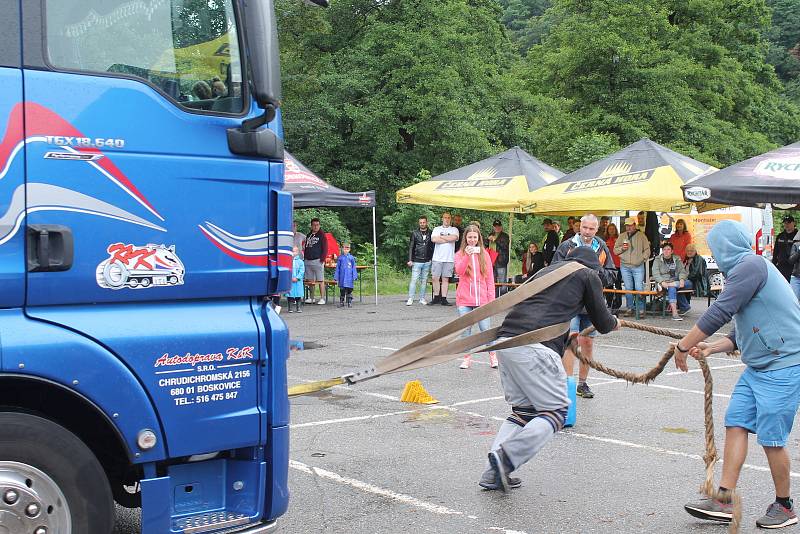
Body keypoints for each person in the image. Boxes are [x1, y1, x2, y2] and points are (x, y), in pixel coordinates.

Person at [675, 220, 800, 530]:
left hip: (784, 365)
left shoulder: (751, 265)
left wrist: (683, 345)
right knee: (736, 422)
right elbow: (741, 329)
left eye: (714, 246)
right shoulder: (744, 272)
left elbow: (720, 311)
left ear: (725, 246)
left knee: (771, 440)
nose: (714, 252)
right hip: (758, 367)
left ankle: (784, 506)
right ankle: (724, 498)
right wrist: (710, 349)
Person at [479, 246, 620, 492]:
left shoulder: (547, 271)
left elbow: (541, 307)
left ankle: (493, 470)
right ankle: (505, 459)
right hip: (533, 345)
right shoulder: (587, 275)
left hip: (506, 342)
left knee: (523, 411)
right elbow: (603, 321)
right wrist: (615, 321)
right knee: (555, 412)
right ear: (593, 266)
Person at [553, 214, 616, 399]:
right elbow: (554, 269)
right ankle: (567, 384)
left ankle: (582, 384)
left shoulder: (601, 247)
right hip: (571, 303)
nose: (587, 232)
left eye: (591, 229)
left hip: (593, 303)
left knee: (587, 344)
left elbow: (612, 274)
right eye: (585, 228)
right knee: (571, 342)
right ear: (579, 227)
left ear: (597, 230)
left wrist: (596, 272)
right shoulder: (567, 246)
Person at [454, 225, 497, 369]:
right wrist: (467, 255)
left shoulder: (484, 254)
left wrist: (491, 300)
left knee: (485, 330)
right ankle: (466, 358)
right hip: (465, 300)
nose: (472, 240)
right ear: (465, 238)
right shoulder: (459, 254)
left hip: (482, 300)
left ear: (479, 238)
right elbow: (459, 271)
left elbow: (490, 279)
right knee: (466, 332)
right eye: (469, 237)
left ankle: (492, 355)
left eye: (474, 237)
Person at [614, 216, 651, 316]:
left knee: (639, 288)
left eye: (630, 225)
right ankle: (630, 308)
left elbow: (647, 250)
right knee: (628, 288)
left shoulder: (642, 236)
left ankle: (641, 309)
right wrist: (622, 248)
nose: (629, 227)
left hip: (638, 266)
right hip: (625, 266)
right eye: (627, 226)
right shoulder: (621, 236)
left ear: (634, 225)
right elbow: (615, 250)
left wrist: (642, 259)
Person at [652, 242, 691, 320]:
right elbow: (655, 273)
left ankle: (684, 306)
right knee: (672, 288)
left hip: (676, 281)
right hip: (664, 282)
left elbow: (682, 271)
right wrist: (662, 282)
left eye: (668, 249)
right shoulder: (657, 259)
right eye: (664, 249)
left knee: (689, 283)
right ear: (662, 251)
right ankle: (675, 313)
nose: (666, 251)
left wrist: (682, 279)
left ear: (672, 251)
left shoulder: (677, 259)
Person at [431, 212, 459, 306]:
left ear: (450, 219)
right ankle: (436, 297)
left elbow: (454, 237)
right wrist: (448, 238)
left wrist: (441, 238)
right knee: (435, 277)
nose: (446, 219)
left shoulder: (454, 229)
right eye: (445, 217)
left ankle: (444, 298)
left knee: (445, 279)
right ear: (442, 218)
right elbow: (434, 239)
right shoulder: (436, 229)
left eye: (448, 218)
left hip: (449, 258)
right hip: (437, 258)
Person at [406, 216, 434, 306]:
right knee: (414, 280)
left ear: (427, 222)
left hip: (427, 261)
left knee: (424, 281)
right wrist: (410, 259)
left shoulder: (431, 232)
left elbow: (433, 247)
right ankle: (410, 298)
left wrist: (432, 258)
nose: (422, 224)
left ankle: (422, 298)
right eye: (420, 222)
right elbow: (411, 247)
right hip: (416, 261)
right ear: (419, 223)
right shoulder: (414, 233)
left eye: (424, 222)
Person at [304, 218, 328, 305]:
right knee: (310, 281)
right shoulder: (309, 235)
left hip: (318, 260)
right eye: (314, 225)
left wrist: (322, 259)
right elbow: (306, 247)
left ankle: (322, 298)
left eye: (317, 225)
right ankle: (312, 298)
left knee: (320, 280)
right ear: (311, 225)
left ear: (319, 225)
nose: (316, 226)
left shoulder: (322, 235)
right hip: (308, 260)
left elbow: (325, 248)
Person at [604, 222, 623, 311]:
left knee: (618, 284)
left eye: (613, 229)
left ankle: (618, 304)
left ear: (615, 230)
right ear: (607, 230)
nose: (611, 230)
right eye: (610, 229)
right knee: (608, 285)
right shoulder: (605, 240)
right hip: (608, 265)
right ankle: (609, 303)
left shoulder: (619, 239)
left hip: (618, 264)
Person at [773, 215, 798, 282]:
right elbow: (775, 251)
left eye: (789, 222)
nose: (787, 225)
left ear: (793, 223)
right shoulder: (780, 236)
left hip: (793, 269)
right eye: (785, 223)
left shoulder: (798, 236)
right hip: (781, 267)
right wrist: (774, 264)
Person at [334, 243, 358, 308]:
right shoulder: (340, 258)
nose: (346, 250)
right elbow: (338, 268)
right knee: (342, 289)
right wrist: (336, 276)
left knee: (349, 289)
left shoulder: (351, 258)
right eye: (345, 248)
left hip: (349, 277)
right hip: (342, 277)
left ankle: (349, 302)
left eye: (347, 248)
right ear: (342, 249)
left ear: (349, 249)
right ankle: (341, 302)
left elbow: (354, 267)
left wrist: (354, 276)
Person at [488, 219, 510, 288]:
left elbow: (505, 246)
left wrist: (495, 240)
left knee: (502, 282)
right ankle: (494, 297)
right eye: (495, 226)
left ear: (501, 227)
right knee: (492, 282)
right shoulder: (491, 234)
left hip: (501, 261)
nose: (497, 228)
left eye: (498, 226)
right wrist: (487, 240)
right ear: (493, 227)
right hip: (491, 261)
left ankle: (503, 297)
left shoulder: (505, 236)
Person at [287, 246, 305, 313]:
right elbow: (288, 270)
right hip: (290, 280)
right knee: (290, 295)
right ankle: (290, 308)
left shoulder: (300, 262)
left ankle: (298, 307)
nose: (293, 253)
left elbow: (302, 270)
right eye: (292, 251)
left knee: (298, 295)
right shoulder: (288, 261)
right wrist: (290, 277)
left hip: (298, 281)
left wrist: (297, 277)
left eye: (294, 251)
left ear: (297, 252)